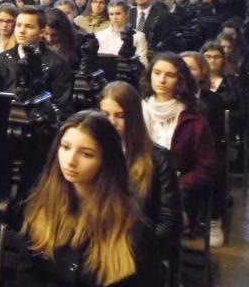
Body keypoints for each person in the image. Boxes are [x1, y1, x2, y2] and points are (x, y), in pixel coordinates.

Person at [16, 110, 163, 287]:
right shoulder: (43, 208)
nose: (71, 161)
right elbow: (25, 276)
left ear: (106, 160)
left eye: (86, 154)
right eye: (66, 147)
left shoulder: (133, 229)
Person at [99, 82, 182, 257]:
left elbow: (169, 223)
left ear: (134, 118)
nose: (111, 122)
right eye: (105, 115)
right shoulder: (93, 152)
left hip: (139, 250)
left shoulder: (158, 158)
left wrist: (134, 251)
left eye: (120, 116)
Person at [141, 53, 216, 231]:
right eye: (157, 73)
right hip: (139, 187)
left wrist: (176, 185)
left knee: (155, 220)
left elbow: (205, 168)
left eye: (170, 75)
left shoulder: (194, 121)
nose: (162, 80)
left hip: (179, 194)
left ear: (180, 80)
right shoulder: (136, 110)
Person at [182, 49, 228, 247]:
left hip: (204, 150)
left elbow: (216, 137)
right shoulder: (173, 97)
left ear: (202, 72)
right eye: (182, 68)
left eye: (191, 68)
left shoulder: (213, 100)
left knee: (215, 168)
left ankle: (214, 219)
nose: (186, 72)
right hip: (179, 151)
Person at [0, 6, 73, 118]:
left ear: (42, 32)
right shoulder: (1, 60)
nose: (21, 31)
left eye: (29, 26)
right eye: (18, 25)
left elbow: (62, 107)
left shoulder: (58, 63)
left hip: (42, 122)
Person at [95, 0, 149, 66]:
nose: (114, 17)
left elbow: (143, 64)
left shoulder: (138, 36)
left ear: (126, 14)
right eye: (111, 14)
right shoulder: (100, 35)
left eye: (118, 14)